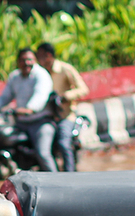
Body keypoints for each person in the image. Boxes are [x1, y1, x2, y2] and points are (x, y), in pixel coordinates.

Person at [0, 48, 57, 173]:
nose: (26, 63)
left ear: (35, 61)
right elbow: (5, 96)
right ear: (18, 62)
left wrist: (29, 109)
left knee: (42, 153)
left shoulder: (41, 75)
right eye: (23, 60)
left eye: (30, 59)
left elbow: (40, 96)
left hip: (40, 122)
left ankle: (57, 184)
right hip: (20, 122)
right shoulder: (14, 76)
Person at [35, 43, 89, 172]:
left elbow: (83, 89)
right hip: (46, 116)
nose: (38, 59)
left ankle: (69, 175)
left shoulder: (65, 69)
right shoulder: (39, 72)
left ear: (48, 56)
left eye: (40, 56)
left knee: (63, 143)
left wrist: (65, 96)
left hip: (65, 116)